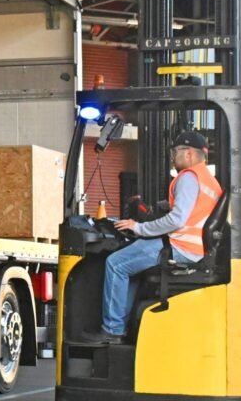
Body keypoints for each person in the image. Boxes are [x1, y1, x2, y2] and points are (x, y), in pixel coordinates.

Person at [90, 130, 224, 344]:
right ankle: (126, 327)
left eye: (176, 151)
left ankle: (112, 331)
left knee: (115, 264)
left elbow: (177, 219)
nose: (173, 156)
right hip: (195, 248)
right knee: (131, 269)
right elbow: (190, 210)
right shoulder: (209, 180)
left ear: (189, 154)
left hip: (179, 246)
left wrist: (139, 227)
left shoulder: (189, 177)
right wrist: (158, 208)